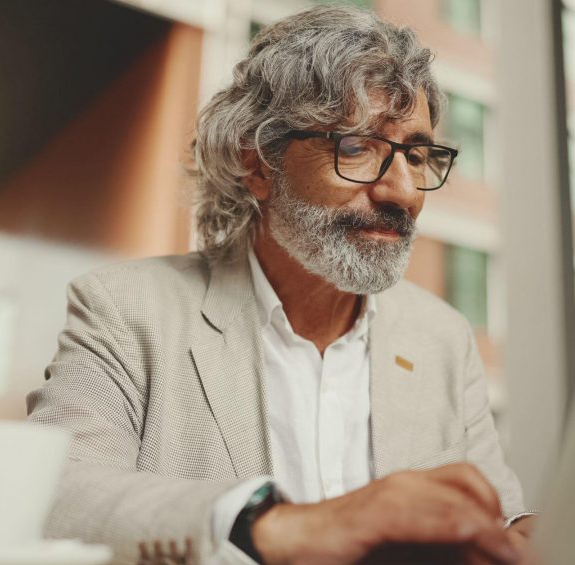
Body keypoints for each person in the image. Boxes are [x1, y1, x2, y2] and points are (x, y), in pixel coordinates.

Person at [27, 5, 535, 564]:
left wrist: (522, 532)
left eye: (416, 155)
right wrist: (277, 527)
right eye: (357, 147)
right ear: (258, 167)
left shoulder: (442, 336)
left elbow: (499, 512)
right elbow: (54, 494)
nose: (403, 192)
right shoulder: (125, 310)